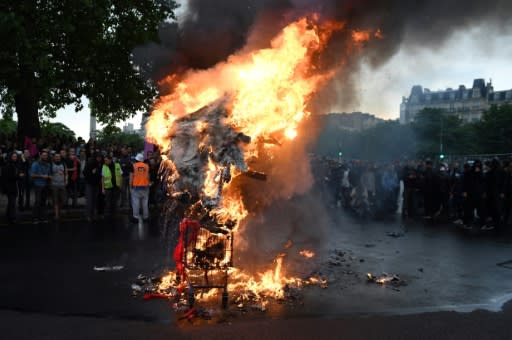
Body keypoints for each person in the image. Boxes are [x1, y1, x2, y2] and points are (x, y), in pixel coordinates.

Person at [31, 151, 52, 224]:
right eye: (43, 155)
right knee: (37, 201)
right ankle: (35, 218)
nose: (44, 157)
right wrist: (42, 176)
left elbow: (48, 174)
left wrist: (49, 176)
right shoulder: (35, 164)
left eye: (46, 156)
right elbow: (32, 175)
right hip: (38, 185)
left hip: (45, 185)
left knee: (43, 202)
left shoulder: (48, 164)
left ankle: (42, 217)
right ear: (40, 156)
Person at [130, 153, 150, 222]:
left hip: (136, 187)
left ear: (136, 159)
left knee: (136, 203)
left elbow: (131, 177)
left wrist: (130, 186)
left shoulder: (133, 166)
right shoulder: (147, 166)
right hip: (145, 186)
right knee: (145, 203)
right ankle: (146, 217)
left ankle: (136, 217)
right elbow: (148, 176)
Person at [83, 153, 103, 222]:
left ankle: (93, 215)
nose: (99, 159)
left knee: (95, 200)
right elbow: (84, 173)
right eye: (98, 157)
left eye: (100, 157)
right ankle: (88, 216)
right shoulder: (90, 163)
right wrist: (91, 172)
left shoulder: (100, 164)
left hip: (96, 184)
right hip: (89, 184)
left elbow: (100, 174)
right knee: (89, 200)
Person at [101, 155, 122, 220]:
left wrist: (121, 185)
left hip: (116, 187)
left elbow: (120, 175)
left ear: (110, 160)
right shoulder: (104, 166)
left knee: (114, 202)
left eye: (106, 160)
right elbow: (102, 178)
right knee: (108, 203)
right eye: (104, 160)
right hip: (108, 187)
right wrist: (103, 188)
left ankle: (114, 215)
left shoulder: (117, 165)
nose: (105, 161)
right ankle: (107, 216)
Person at [2, 152, 21, 224]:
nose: (15, 158)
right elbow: (9, 177)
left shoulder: (15, 165)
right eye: (13, 156)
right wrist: (19, 176)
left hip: (14, 186)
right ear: (10, 157)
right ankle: (12, 218)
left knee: (11, 202)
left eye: (16, 157)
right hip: (9, 187)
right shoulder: (8, 165)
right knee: (12, 203)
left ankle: (8, 216)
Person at [50, 153, 67, 220]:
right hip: (54, 185)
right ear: (54, 158)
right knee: (55, 200)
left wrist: (66, 180)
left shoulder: (63, 164)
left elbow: (66, 173)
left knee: (64, 200)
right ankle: (56, 215)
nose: (57, 158)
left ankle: (58, 210)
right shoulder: (51, 164)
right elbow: (49, 174)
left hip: (62, 184)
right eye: (56, 157)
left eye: (58, 156)